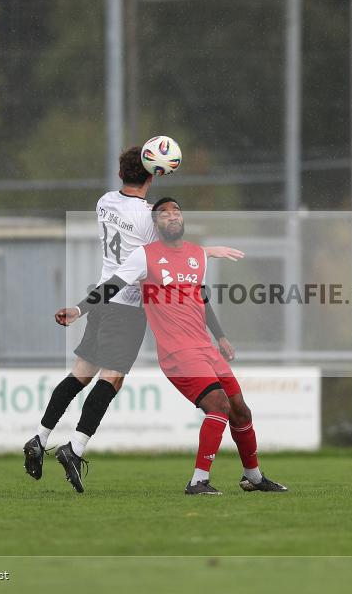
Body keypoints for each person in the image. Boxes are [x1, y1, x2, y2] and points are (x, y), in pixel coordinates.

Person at [23, 147, 242, 486]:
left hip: (100, 298)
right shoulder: (146, 217)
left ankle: (39, 437)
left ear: (120, 173)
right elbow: (175, 247)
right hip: (125, 305)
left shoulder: (104, 202)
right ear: (154, 175)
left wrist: (82, 308)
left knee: (80, 374)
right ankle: (75, 449)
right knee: (112, 378)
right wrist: (207, 251)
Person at [56, 197, 288, 496]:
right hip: (177, 352)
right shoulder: (145, 255)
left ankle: (253, 477)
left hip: (205, 348)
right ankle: (198, 481)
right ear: (155, 224)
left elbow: (200, 297)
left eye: (176, 210)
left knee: (241, 410)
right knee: (218, 405)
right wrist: (79, 309)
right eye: (163, 213)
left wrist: (220, 336)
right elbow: (111, 285)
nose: (172, 215)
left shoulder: (196, 255)